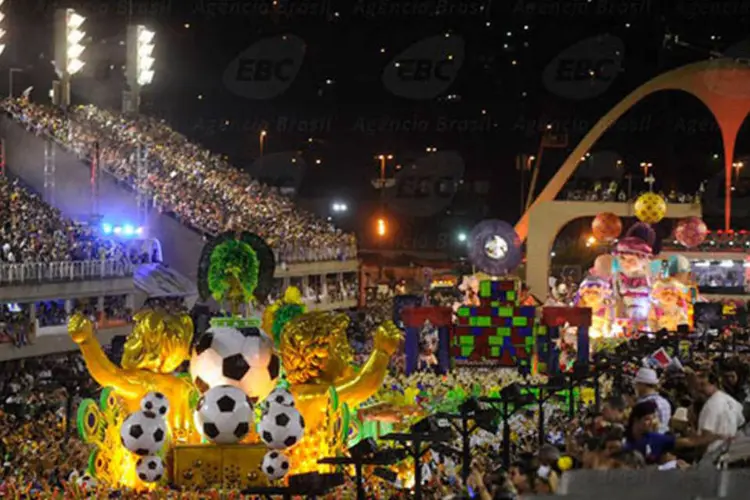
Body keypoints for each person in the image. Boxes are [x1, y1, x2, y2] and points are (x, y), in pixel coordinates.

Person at [623, 400, 719, 465]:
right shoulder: (622, 440)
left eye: (653, 418)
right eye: (647, 419)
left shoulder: (655, 439)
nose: (652, 422)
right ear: (636, 420)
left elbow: (687, 442)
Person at [689, 366, 746, 438]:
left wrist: (690, 425)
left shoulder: (711, 406)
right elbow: (741, 422)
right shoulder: (730, 400)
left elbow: (703, 441)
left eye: (703, 385)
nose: (699, 389)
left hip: (716, 448)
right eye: (696, 386)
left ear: (714, 384)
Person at [633, 367, 672, 433]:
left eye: (637, 384)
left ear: (642, 385)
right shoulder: (665, 402)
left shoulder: (643, 404)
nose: (635, 387)